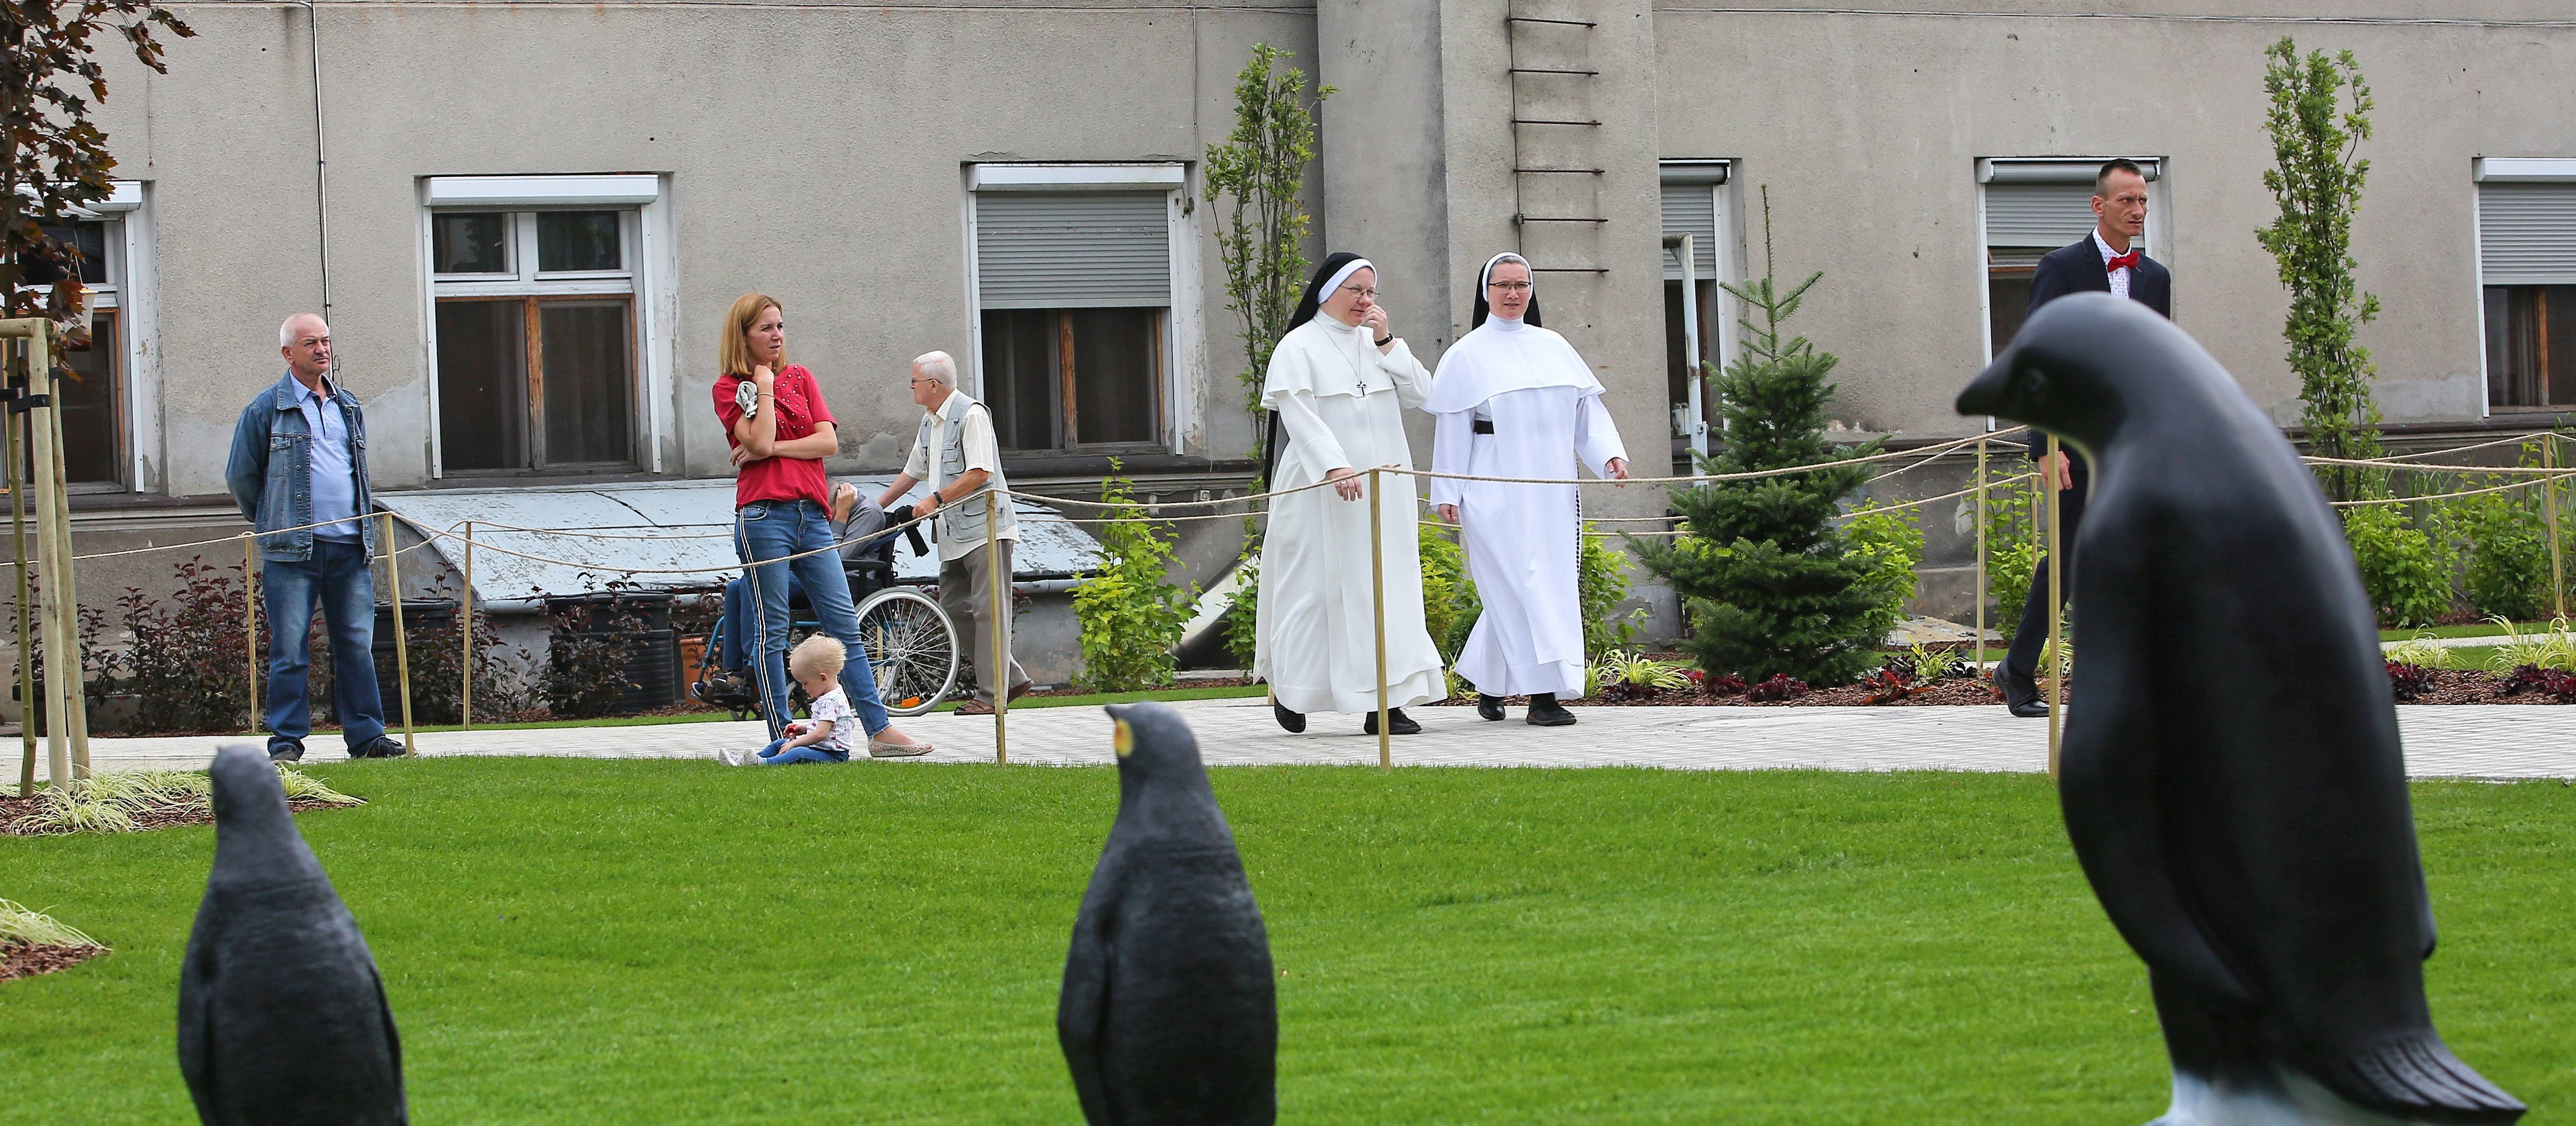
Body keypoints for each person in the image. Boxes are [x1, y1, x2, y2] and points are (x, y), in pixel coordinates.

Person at [713, 294, 931, 758]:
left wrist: (768, 450)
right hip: (763, 517)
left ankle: (880, 731)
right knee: (772, 632)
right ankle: (782, 740)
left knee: (844, 626)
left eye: (781, 326)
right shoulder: (731, 387)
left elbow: (828, 442)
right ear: (744, 336)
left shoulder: (804, 377)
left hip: (813, 517)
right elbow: (763, 433)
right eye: (767, 328)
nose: (778, 335)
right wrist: (765, 385)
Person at [1995, 158, 2172, 718]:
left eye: (2143, 200)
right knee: (2069, 558)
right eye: (2127, 201)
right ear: (2099, 206)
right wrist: (2045, 445)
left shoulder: (2155, 278)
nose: (2138, 211)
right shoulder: (2062, 268)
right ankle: (2018, 670)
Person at [1426, 254, 1629, 727]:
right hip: (1492, 484)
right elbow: (1453, 430)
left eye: (1522, 285)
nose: (1513, 294)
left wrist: (1608, 455)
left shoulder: (1554, 346)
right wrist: (1447, 492)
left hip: (1551, 487)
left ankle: (1490, 683)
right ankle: (1543, 697)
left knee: (1536, 585)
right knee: (1521, 585)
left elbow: (1586, 413)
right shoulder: (1465, 356)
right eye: (1503, 285)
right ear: (1486, 291)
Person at [1252, 253, 1445, 735]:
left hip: (1385, 490)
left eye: (1371, 292)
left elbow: (1425, 395)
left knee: (1388, 589)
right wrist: (1335, 464)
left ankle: (1387, 704)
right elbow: (1299, 415)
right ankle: (1294, 690)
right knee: (1313, 591)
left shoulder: (1377, 344)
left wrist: (1387, 343)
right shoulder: (1298, 347)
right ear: (1326, 292)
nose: (1366, 301)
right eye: (1355, 291)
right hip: (1320, 488)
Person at [224, 313, 406, 763]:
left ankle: (367, 739)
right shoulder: (265, 409)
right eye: (311, 343)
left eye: (326, 341)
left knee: (357, 648)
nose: (322, 350)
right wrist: (271, 519)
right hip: (292, 552)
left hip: (350, 546)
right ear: (289, 353)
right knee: (290, 650)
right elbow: (241, 477)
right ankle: (286, 743)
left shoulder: (349, 406)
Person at [877, 350, 1029, 716]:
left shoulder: (972, 414)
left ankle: (992, 697)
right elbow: (911, 472)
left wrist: (937, 498)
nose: (911, 386)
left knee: (989, 612)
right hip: (952, 533)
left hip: (986, 529)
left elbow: (981, 473)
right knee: (953, 611)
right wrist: (872, 510)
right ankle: (1013, 677)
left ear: (933, 384)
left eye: (914, 381)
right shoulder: (930, 421)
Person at [711, 480, 894, 681]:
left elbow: (835, 560)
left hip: (844, 580)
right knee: (736, 587)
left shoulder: (869, 513)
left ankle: (753, 662)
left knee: (750, 585)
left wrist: (840, 518)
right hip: (805, 571)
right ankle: (732, 670)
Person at [723, 636, 860, 766]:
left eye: (805, 683)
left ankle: (765, 763)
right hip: (821, 748)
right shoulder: (829, 696)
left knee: (798, 752)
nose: (804, 688)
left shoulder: (831, 701)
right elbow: (829, 729)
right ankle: (751, 759)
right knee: (780, 744)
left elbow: (821, 734)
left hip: (833, 755)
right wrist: (803, 729)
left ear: (823, 678)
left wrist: (795, 743)